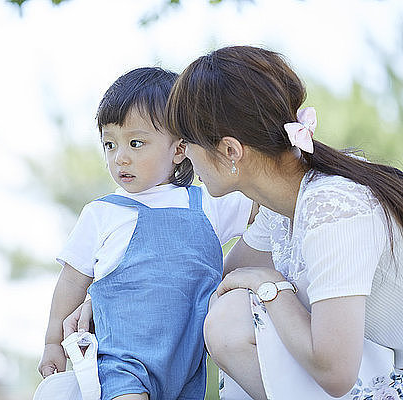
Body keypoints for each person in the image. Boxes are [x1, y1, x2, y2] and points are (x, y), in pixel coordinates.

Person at [163, 45, 403, 400]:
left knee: (232, 320)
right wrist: (106, 294)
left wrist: (270, 287)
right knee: (228, 312)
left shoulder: (334, 206)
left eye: (186, 142)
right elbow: (211, 287)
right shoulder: (282, 205)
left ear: (230, 151)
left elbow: (336, 372)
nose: (180, 154)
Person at [37, 67, 255, 400]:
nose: (120, 157)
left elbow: (264, 202)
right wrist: (53, 341)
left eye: (135, 143)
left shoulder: (207, 203)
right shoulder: (103, 213)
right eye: (109, 144)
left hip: (187, 367)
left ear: (180, 149)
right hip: (121, 363)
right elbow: (70, 281)